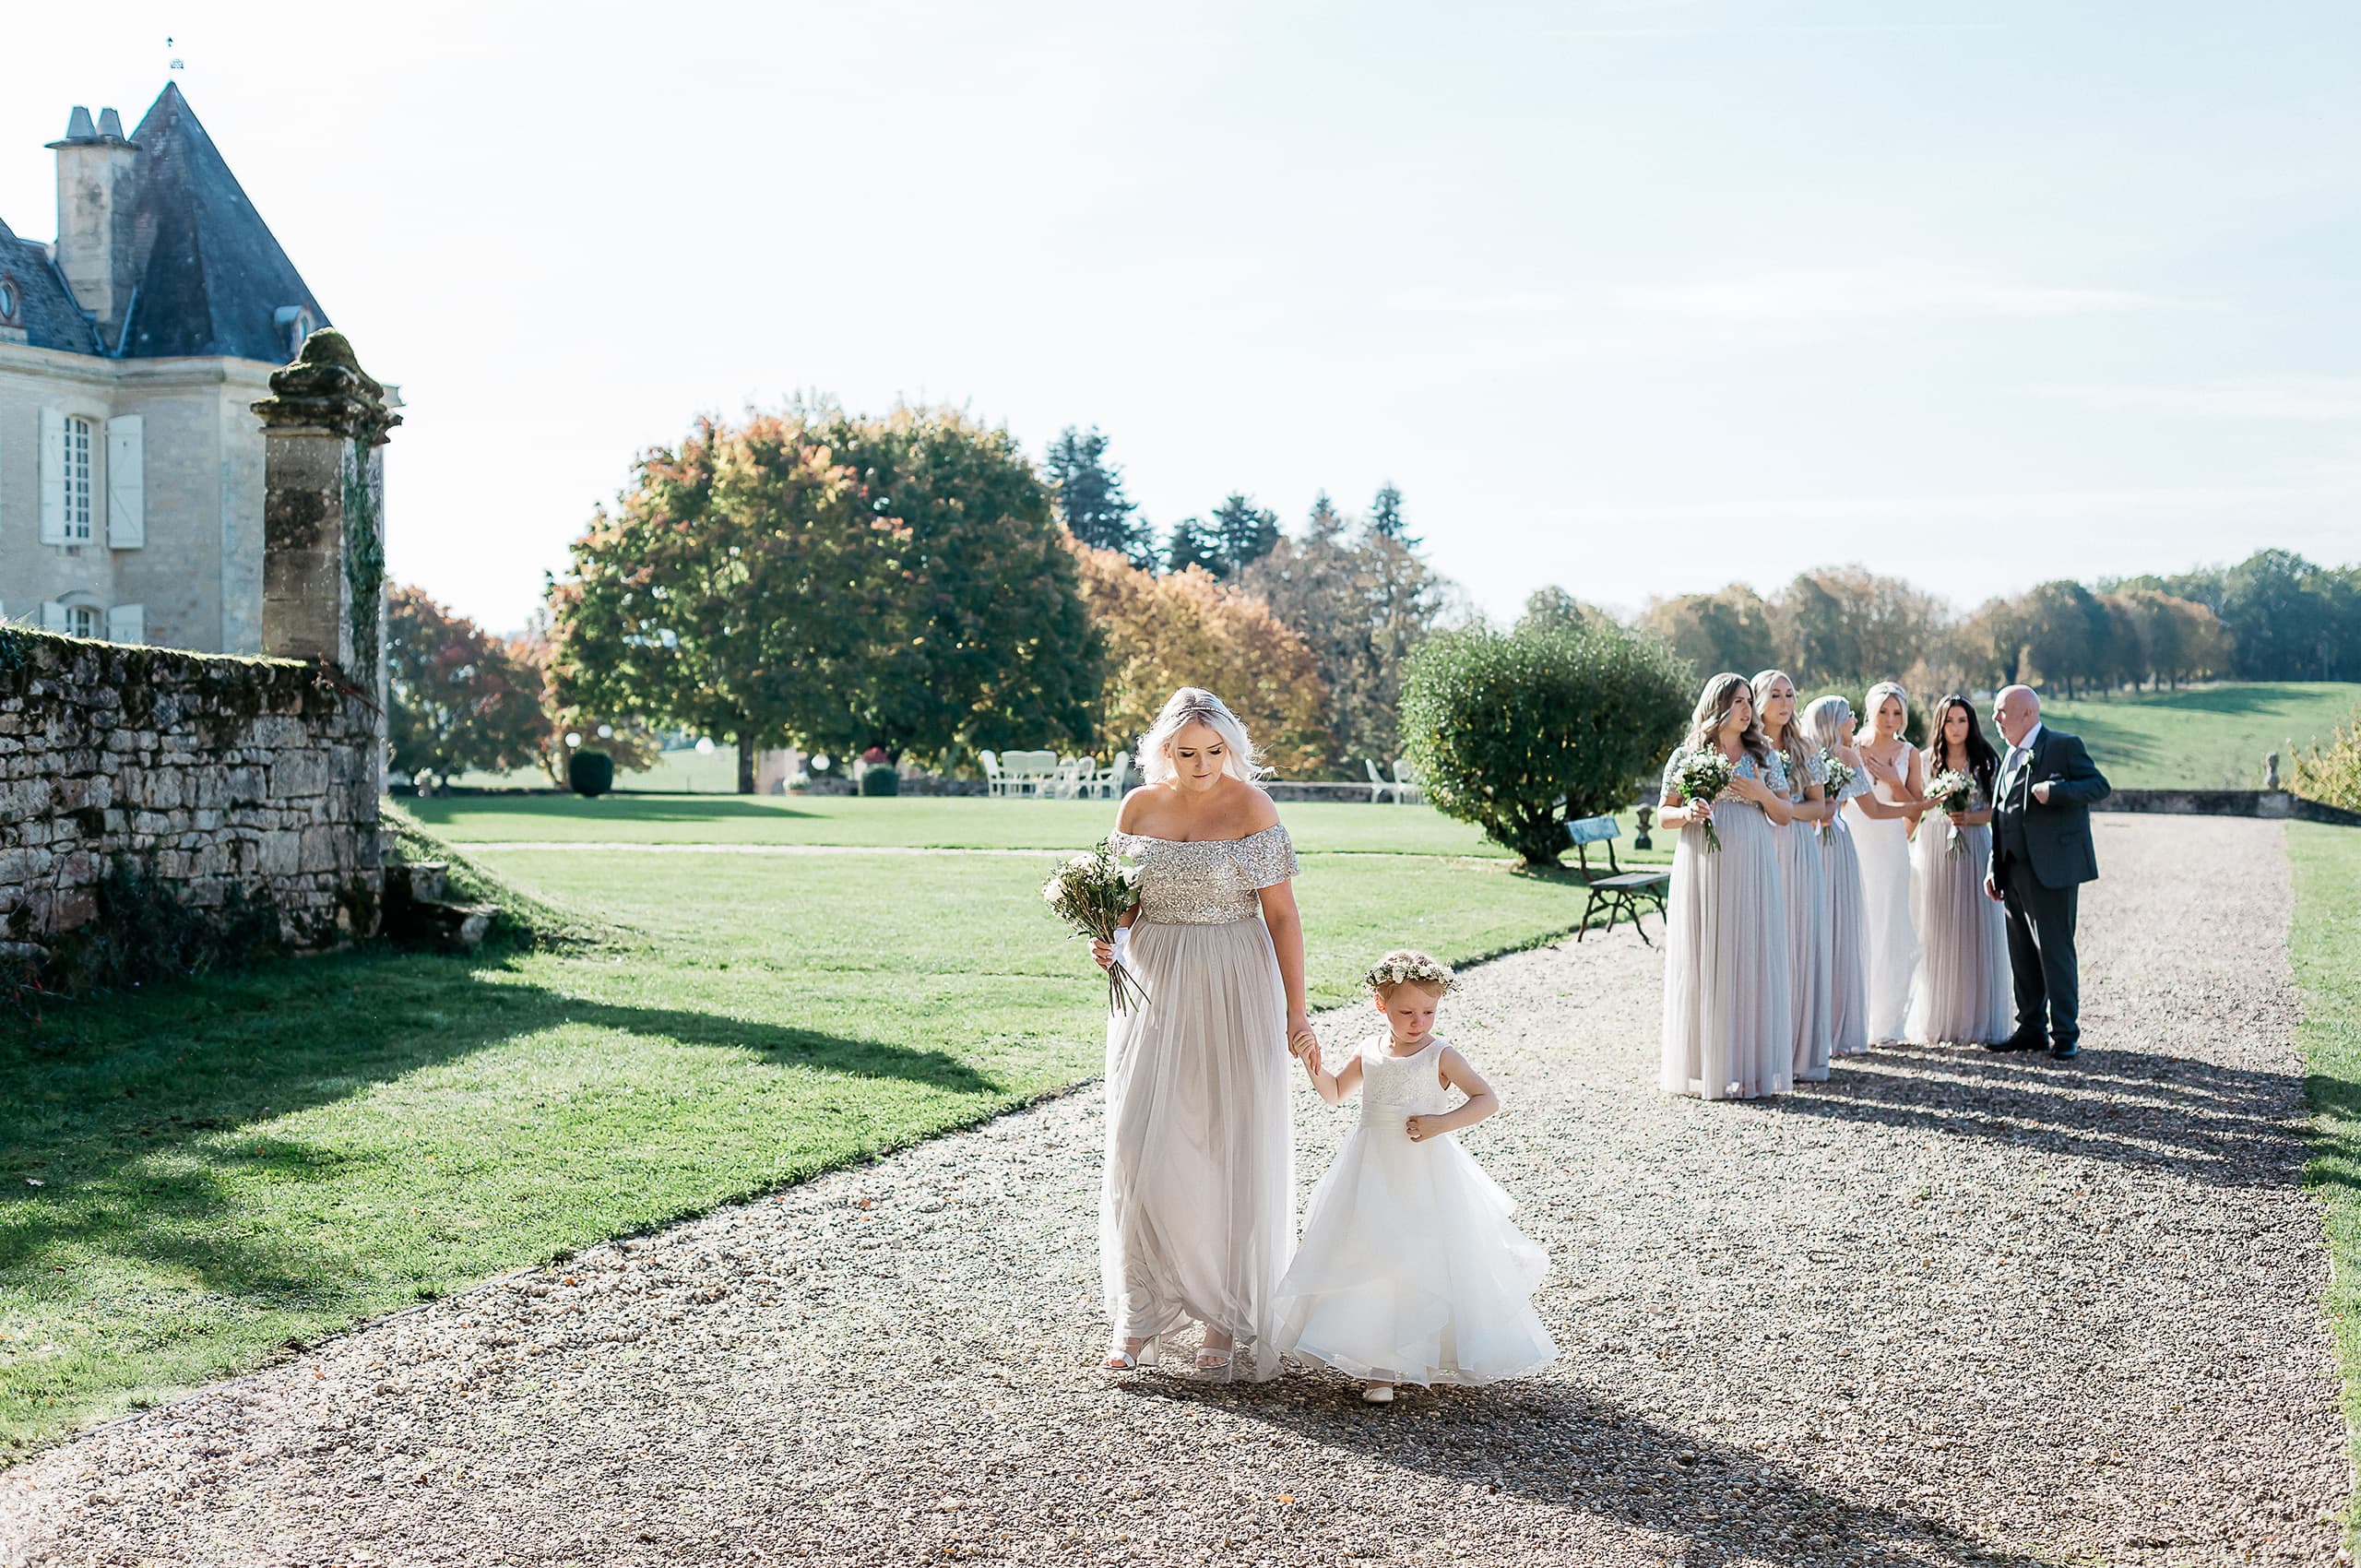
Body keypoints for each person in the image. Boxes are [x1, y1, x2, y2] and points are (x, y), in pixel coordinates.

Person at [1089, 687, 1316, 1377]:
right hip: (1154, 980)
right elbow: (1120, 907)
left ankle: (1225, 1317)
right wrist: (1107, 941)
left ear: (1231, 748)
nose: (1201, 765)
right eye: (1186, 753)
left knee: (1227, 1138)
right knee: (1140, 1139)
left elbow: (1282, 916)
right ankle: (1140, 1311)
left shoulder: (1253, 808)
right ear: (1164, 751)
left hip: (1234, 976)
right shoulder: (1138, 808)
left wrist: (1296, 1011)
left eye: (1214, 752)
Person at [1275, 951, 1557, 1404]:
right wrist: (1312, 1064)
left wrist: (1440, 1124)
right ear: (1380, 1005)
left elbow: (1486, 1099)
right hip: (1369, 1167)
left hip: (1423, 1169)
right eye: (1407, 1011)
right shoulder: (1368, 1051)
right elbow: (1334, 1094)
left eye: (1429, 1011)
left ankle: (1410, 1356)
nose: (1419, 1021)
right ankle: (1379, 1365)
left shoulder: (1439, 1054)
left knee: (1419, 1254)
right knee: (1372, 1252)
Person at [1655, 672, 1796, 1099]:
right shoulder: (1686, 754)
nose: (1746, 709)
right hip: (1702, 859)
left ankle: (1749, 1064)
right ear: (1717, 706)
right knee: (1705, 954)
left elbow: (1786, 813)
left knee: (1748, 952)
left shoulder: (1763, 753)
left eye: (1748, 701)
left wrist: (1758, 792)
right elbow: (1664, 813)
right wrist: (1688, 813)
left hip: (1752, 861)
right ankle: (1705, 1063)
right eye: (1737, 701)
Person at [1985, 685, 2111, 1060]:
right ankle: (2031, 1028)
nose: (1995, 719)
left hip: (2051, 869)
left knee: (2054, 951)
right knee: (2021, 953)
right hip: (2012, 869)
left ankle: (2066, 1033)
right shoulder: (2008, 756)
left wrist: (2055, 790)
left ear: (2027, 713)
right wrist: (1995, 865)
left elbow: (2098, 786)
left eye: (2000, 711)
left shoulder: (2063, 745)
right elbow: (2001, 815)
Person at [1907, 695, 2012, 1046]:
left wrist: (1969, 818)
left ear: (1971, 723)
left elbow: (1999, 810)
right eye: (1950, 720)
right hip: (1935, 844)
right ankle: (1941, 1018)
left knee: (1975, 927)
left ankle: (1977, 1018)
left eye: (1962, 720)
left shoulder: (1985, 760)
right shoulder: (1925, 761)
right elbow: (1917, 805)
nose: (1956, 728)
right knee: (1937, 928)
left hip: (1975, 843)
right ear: (1940, 723)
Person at [1754, 670, 1834, 1082]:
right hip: (1757, 848)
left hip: (1799, 848)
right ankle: (1763, 1047)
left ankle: (1799, 1050)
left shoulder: (1807, 748)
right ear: (1757, 700)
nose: (1785, 703)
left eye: (1790, 695)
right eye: (1776, 695)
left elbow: (1819, 808)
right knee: (1765, 943)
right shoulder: (1747, 748)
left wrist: (1778, 808)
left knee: (1799, 941)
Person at [1848, 682, 1926, 1044]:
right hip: (1857, 841)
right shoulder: (1852, 747)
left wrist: (1894, 781)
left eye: (1897, 713)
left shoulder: (1909, 753)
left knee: (1890, 926)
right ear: (1871, 710)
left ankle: (1887, 1020)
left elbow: (1916, 809)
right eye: (1883, 711)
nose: (1890, 719)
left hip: (1891, 847)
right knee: (1859, 923)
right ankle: (1853, 1014)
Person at [1804, 695, 1873, 1057]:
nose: (1854, 721)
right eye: (1849, 716)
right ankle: (1827, 1025)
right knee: (1830, 928)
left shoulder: (1829, 755)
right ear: (1833, 722)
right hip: (1821, 842)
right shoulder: (1840, 757)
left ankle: (1818, 1026)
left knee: (1826, 928)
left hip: (1828, 842)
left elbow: (1869, 807)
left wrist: (1919, 807)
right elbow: (1872, 807)